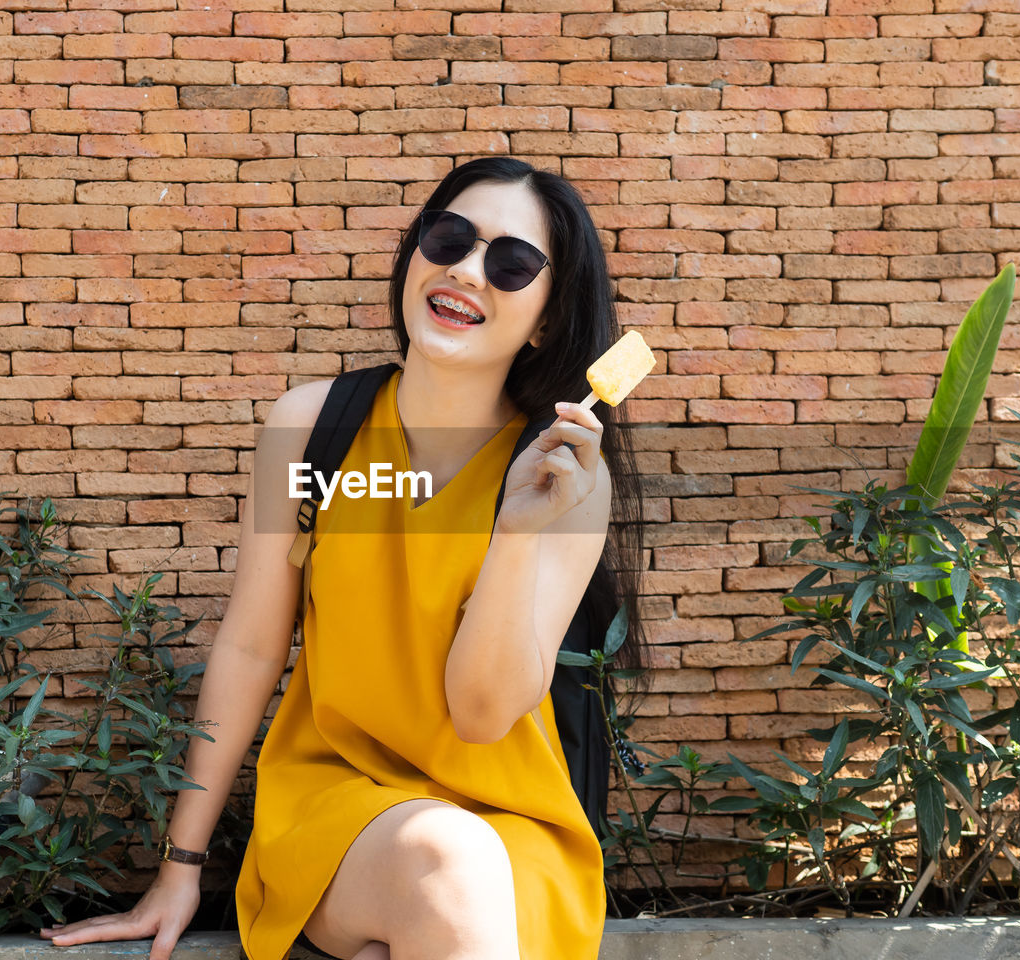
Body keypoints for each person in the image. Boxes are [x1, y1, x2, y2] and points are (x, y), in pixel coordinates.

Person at [39, 157, 645, 960]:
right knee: (444, 863)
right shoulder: (313, 429)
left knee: (442, 888)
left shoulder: (567, 481)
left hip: (514, 829)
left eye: (511, 263)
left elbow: (481, 713)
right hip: (338, 805)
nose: (466, 270)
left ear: (543, 318)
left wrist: (515, 530)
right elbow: (253, 646)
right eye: (449, 237)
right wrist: (180, 866)